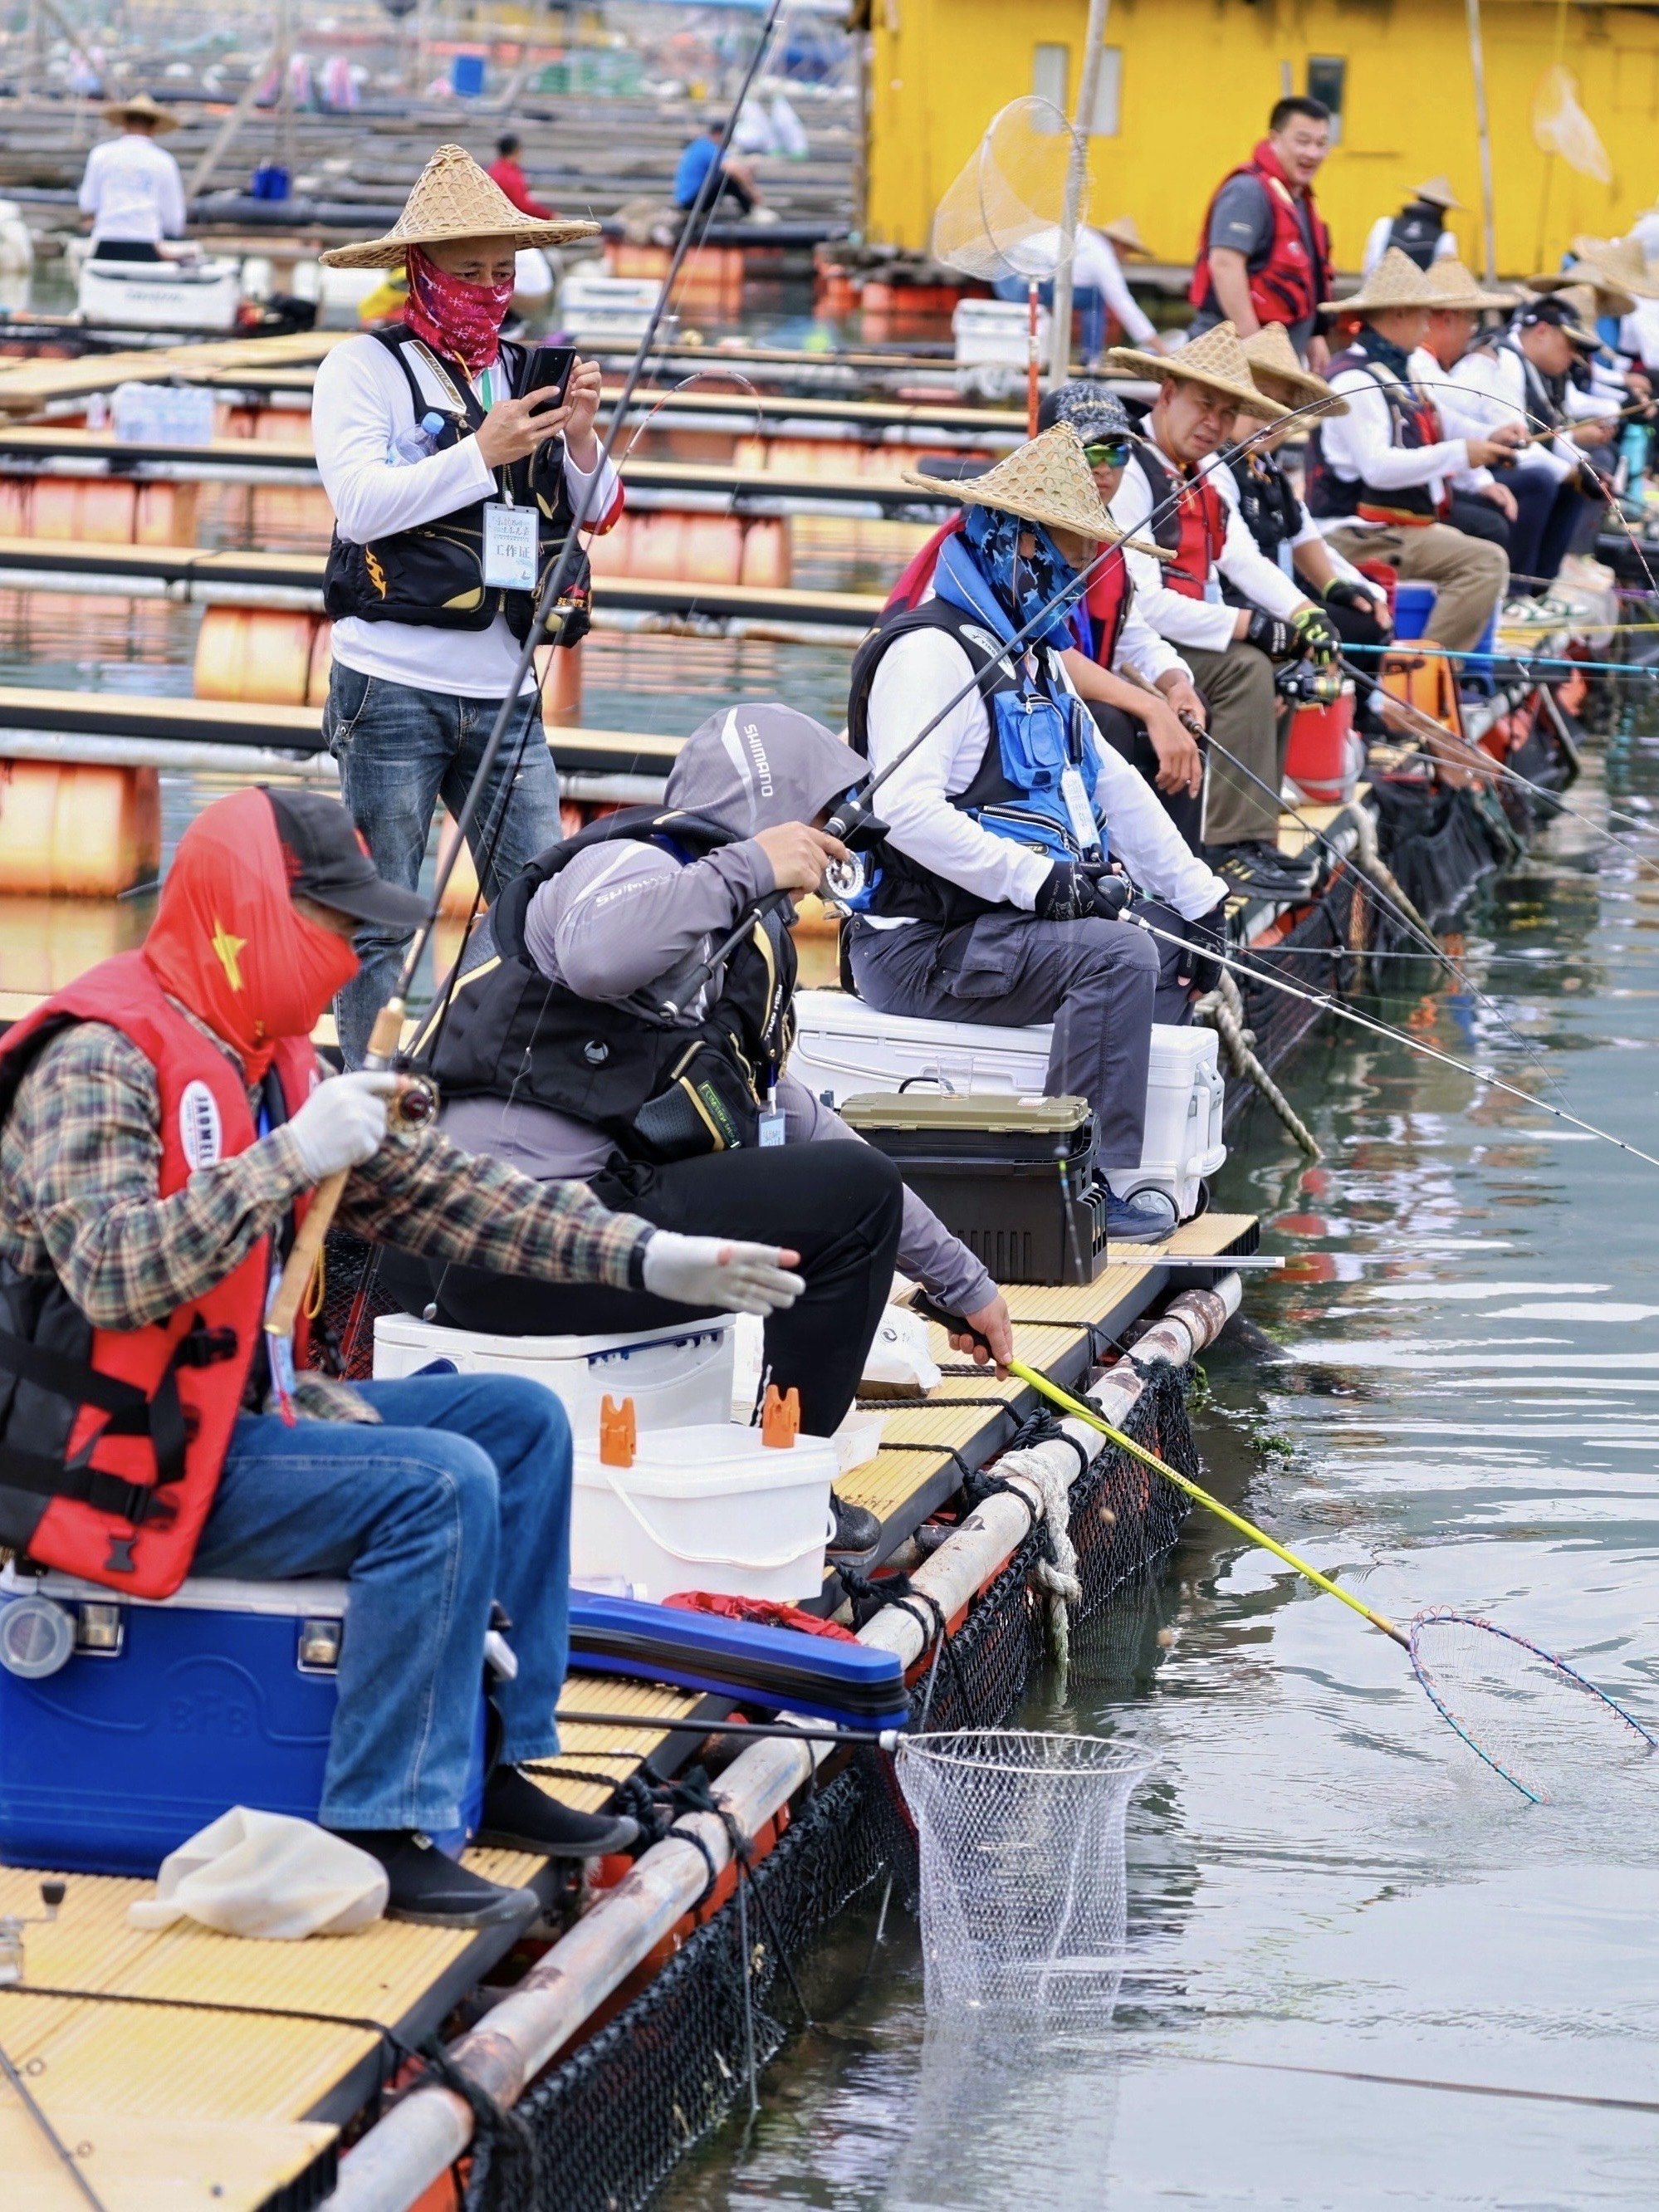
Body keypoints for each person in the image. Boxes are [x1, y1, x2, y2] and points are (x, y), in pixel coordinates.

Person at [0, 789, 805, 1928]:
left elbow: (458, 1199)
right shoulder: (97, 1061)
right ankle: (385, 1822)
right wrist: (285, 1161)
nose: (351, 955)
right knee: (433, 1486)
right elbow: (112, 1272)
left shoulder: (268, 1058)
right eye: (332, 924)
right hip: (116, 1469)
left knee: (515, 1427)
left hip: (231, 1426)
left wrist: (653, 1260)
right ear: (248, 915)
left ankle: (498, 1759)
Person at [402, 704, 1015, 1485]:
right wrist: (751, 865)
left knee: (852, 1191)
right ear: (775, 815)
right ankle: (791, 1483)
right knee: (853, 1198)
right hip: (499, 1247)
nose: (834, 850)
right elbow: (595, 956)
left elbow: (806, 1128)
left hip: (554, 1247)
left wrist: (964, 1285)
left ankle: (777, 1461)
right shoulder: (634, 867)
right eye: (825, 821)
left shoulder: (726, 948)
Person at [841, 425, 1234, 1245]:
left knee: (1140, 935)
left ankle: (1092, 1158)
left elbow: (1112, 786)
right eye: (1064, 554)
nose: (1079, 577)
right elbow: (905, 808)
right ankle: (1076, 1192)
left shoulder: (1037, 662)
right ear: (1009, 544)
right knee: (1117, 952)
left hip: (992, 934)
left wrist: (1203, 902)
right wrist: (1042, 884)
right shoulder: (931, 654)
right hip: (917, 947)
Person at [311, 144, 620, 1067]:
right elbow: (360, 504)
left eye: (503, 271)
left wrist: (580, 436)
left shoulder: (529, 367)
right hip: (390, 684)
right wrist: (479, 452)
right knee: (383, 912)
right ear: (421, 272)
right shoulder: (362, 368)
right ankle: (371, 1092)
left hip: (505, 688)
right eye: (467, 271)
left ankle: (469, 1064)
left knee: (538, 898)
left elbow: (595, 508)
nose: (489, 288)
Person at [883, 388, 1208, 841]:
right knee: (1107, 721)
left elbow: (1134, 637)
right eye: (1088, 450)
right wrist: (1149, 706)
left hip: (1041, 702)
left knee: (1186, 719)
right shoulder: (983, 541)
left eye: (1117, 453)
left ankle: (1176, 884)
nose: (1103, 467)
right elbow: (1034, 646)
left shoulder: (1104, 547)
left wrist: (1176, 684)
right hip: (986, 719)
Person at [1102, 321, 1338, 898]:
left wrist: (1305, 612)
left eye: (1227, 414)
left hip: (1181, 636)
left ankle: (1254, 836)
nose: (1214, 424)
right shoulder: (1131, 472)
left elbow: (1240, 556)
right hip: (1130, 650)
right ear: (1166, 395)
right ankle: (1228, 845)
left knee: (1286, 666)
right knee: (1246, 667)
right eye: (1203, 406)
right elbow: (1143, 604)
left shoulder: (1204, 472)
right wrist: (1248, 625)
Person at [1304, 249, 1516, 650]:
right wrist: (1463, 453)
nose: (1427, 327)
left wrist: (1493, 436)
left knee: (1483, 540)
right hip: (1355, 532)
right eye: (1423, 315)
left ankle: (1434, 662)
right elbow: (1378, 469)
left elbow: (1441, 420)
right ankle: (1419, 671)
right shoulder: (1355, 381)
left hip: (1389, 528)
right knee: (1486, 562)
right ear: (1398, 314)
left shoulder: (1402, 371)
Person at [1233, 325, 1395, 697]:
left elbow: (1306, 536)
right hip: (1239, 606)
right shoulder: (1217, 469)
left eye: (1282, 407)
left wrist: (1343, 588)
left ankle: (1356, 716)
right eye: (1256, 400)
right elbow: (1237, 560)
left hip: (1276, 599)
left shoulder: (1271, 472)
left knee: (1367, 619)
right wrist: (1303, 612)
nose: (1268, 417)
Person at [1442, 287, 1614, 594]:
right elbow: (1519, 444)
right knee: (1541, 480)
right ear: (1543, 332)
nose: (1574, 355)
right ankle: (1516, 592)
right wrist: (1575, 473)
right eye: (1570, 345)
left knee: (1575, 480)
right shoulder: (1503, 362)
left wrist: (1582, 467)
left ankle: (1541, 587)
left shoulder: (1540, 369)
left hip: (1486, 466)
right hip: (1465, 473)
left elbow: (1551, 431)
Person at [1188, 95, 1334, 369]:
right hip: (1229, 357)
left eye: (1321, 144)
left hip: (1276, 359)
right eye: (1303, 141)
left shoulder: (1298, 199)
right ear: (1274, 138)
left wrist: (1315, 334)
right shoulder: (1249, 191)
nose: (1313, 153)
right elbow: (1225, 263)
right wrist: (1255, 346)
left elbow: (1311, 273)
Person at [1408, 260, 1521, 551]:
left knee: (1495, 509)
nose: (1472, 333)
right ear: (1447, 320)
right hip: (1409, 498)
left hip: (1434, 484)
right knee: (1494, 522)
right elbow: (1452, 405)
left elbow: (1446, 420)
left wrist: (1489, 448)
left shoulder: (1427, 364)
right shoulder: (1416, 363)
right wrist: (1482, 364)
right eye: (1471, 323)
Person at [78, 92, 185, 262]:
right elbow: (173, 220)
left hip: (106, 244)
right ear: (153, 127)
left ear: (124, 123)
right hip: (146, 246)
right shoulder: (164, 161)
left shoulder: (101, 155)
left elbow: (87, 204)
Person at [1362, 177, 1461, 276]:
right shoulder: (1446, 238)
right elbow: (1445, 278)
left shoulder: (1385, 223)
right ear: (1443, 209)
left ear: (1418, 197)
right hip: (1422, 291)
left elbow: (1370, 267)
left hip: (1380, 290)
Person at [673, 120, 763, 219]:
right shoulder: (707, 146)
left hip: (692, 198)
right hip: (691, 202)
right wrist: (752, 191)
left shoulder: (700, 144)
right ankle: (751, 212)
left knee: (730, 176)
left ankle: (749, 210)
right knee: (728, 177)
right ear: (718, 134)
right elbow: (732, 168)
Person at [486, 132, 553, 219]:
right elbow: (522, 205)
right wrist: (548, 215)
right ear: (516, 151)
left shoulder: (493, 170)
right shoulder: (510, 175)